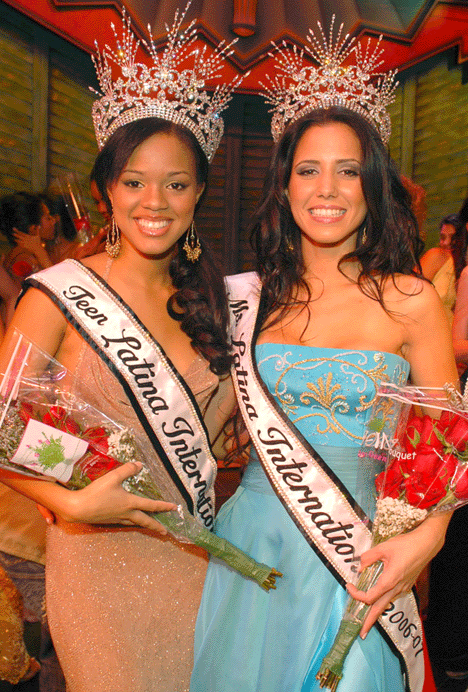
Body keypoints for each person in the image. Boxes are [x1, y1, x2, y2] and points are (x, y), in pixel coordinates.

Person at [191, 25, 457, 692]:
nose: (327, 189)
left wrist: (428, 541)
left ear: (373, 185)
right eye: (309, 169)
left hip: (361, 552)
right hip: (254, 545)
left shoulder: (412, 301)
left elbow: (449, 453)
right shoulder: (249, 302)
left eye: (348, 170)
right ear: (283, 186)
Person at [0, 7, 240, 691]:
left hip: (196, 562)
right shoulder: (57, 294)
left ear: (198, 193)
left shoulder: (218, 302)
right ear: (108, 190)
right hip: (93, 561)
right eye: (134, 181)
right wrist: (70, 503)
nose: (154, 201)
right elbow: (0, 424)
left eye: (176, 183)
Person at [420, 213, 466, 324]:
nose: (446, 243)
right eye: (442, 237)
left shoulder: (464, 270)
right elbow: (407, 294)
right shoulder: (436, 256)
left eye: (453, 238)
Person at [0, 192, 56, 280]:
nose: (54, 221)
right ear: (33, 229)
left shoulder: (16, 255)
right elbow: (58, 287)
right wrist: (42, 255)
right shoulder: (26, 259)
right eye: (48, 218)